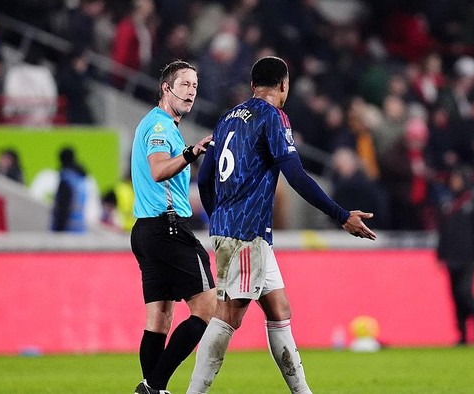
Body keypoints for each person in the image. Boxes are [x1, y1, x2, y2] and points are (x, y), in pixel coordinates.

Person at [187, 56, 377, 394]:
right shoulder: (273, 117)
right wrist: (340, 215)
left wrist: (219, 217)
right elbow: (295, 175)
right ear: (284, 86)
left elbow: (204, 177)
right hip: (245, 233)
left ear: (251, 86)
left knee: (279, 309)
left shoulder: (227, 117)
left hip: (240, 231)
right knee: (228, 314)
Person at [130, 60, 216, 394]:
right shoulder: (162, 127)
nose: (191, 91)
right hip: (167, 230)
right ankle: (153, 385)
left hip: (146, 231)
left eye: (195, 86)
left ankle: (154, 389)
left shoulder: (157, 125)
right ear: (166, 88)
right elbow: (157, 170)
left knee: (160, 319)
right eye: (184, 85)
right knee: (209, 310)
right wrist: (191, 153)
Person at [435, 166, 474, 345]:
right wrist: (440, 254)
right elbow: (442, 231)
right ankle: (463, 336)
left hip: (469, 257)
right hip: (452, 257)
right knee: (455, 297)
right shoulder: (447, 202)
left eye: (457, 179)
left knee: (465, 294)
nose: (454, 183)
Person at [51, 146, 88, 232]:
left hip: (67, 231)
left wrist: (58, 231)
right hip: (80, 230)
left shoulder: (66, 180)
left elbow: (63, 207)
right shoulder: (81, 179)